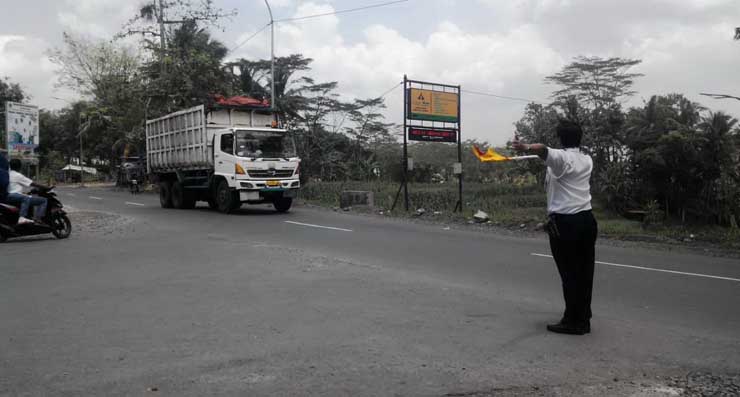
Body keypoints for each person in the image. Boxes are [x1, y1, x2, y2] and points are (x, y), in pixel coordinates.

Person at [512, 119, 598, 335]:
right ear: (580, 137)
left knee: (569, 274)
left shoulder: (561, 158)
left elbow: (542, 149)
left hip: (566, 223)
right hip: (586, 220)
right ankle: (583, 317)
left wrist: (525, 148)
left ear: (560, 138)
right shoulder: (586, 158)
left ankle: (573, 321)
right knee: (585, 272)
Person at [6, 159, 50, 225]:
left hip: (8, 196)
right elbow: (33, 183)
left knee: (26, 196)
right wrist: (46, 187)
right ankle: (37, 219)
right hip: (14, 196)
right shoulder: (18, 175)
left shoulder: (7, 174)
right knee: (43, 200)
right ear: (19, 167)